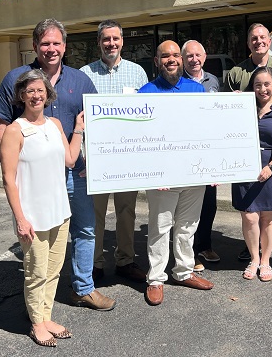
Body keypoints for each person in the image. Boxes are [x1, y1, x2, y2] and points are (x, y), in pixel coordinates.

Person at [0, 18, 116, 311]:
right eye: (45, 43)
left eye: (56, 43)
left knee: (84, 230)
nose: (51, 49)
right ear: (35, 46)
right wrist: (10, 164)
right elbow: (1, 123)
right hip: (35, 175)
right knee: (37, 234)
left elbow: (95, 124)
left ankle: (83, 288)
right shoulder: (15, 78)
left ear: (65, 46)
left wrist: (95, 160)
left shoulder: (80, 80)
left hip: (74, 170)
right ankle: (39, 301)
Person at [0, 69, 84, 347]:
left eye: (41, 90)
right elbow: (8, 180)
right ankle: (37, 322)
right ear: (22, 95)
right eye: (30, 91)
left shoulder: (56, 124)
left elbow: (70, 159)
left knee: (54, 270)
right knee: (36, 271)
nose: (36, 95)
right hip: (32, 216)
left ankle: (46, 317)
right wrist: (20, 218)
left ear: (48, 94)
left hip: (59, 211)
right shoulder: (15, 130)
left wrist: (79, 130)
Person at [138, 40, 214, 306]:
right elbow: (141, 138)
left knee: (187, 226)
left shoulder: (197, 90)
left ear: (181, 60)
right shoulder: (146, 93)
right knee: (160, 227)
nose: (171, 59)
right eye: (165, 56)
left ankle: (183, 271)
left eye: (175, 55)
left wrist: (213, 166)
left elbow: (207, 131)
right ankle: (156, 278)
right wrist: (151, 173)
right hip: (163, 177)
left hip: (194, 172)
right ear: (157, 61)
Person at [225, 23, 272, 262]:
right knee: (250, 206)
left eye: (262, 38)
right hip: (247, 146)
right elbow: (226, 110)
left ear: (269, 41)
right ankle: (253, 245)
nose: (259, 41)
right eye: (253, 39)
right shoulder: (237, 72)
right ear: (248, 44)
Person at [80, 20, 149, 283]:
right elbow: (80, 118)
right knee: (93, 215)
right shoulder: (85, 74)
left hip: (126, 159)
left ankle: (125, 261)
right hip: (95, 160)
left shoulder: (138, 73)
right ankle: (94, 264)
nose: (111, 44)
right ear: (99, 42)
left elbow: (145, 115)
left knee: (126, 212)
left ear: (122, 41)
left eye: (115, 39)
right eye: (106, 39)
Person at [233, 67, 272, 282]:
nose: (262, 89)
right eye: (258, 84)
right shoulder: (243, 107)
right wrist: (230, 103)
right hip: (244, 166)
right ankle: (254, 258)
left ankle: (266, 260)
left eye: (267, 84)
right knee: (249, 217)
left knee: (269, 219)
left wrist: (270, 167)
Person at [181, 39, 221, 272]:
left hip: (210, 152)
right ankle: (191, 252)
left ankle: (205, 245)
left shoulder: (213, 81)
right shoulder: (179, 81)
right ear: (183, 59)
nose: (194, 60)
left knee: (209, 203)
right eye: (189, 56)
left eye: (198, 55)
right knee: (188, 205)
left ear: (204, 57)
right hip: (187, 151)